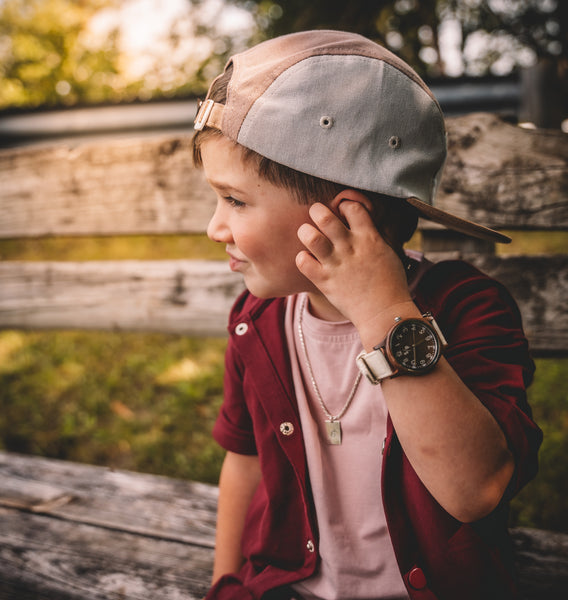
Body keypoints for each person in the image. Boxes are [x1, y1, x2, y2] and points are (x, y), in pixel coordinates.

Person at [191, 30, 542, 600]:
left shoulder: (466, 306)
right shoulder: (256, 321)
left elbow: (475, 489)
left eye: (234, 200)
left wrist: (382, 309)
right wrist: (225, 587)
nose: (215, 228)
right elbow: (245, 464)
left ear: (347, 214)